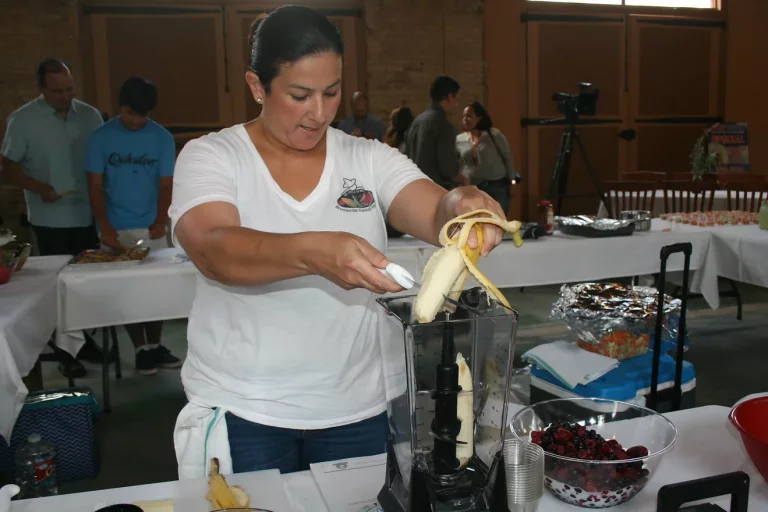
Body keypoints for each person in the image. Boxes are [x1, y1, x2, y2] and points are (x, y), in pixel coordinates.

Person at [170, 5, 507, 476]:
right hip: (246, 406)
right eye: (300, 95)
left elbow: (435, 209)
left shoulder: (366, 158)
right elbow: (213, 248)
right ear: (256, 86)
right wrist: (317, 252)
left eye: (331, 93)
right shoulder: (213, 156)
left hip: (354, 406)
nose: (320, 113)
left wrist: (464, 204)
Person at [0, 58, 105, 377]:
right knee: (56, 287)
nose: (65, 96)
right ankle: (63, 351)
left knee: (87, 284)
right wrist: (39, 187)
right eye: (57, 90)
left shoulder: (90, 116)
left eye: (70, 89)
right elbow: (9, 168)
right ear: (41, 89)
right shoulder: (22, 120)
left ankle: (86, 340)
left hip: (87, 213)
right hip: (49, 218)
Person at [85, 76, 182, 376]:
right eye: (131, 114)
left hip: (152, 226)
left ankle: (155, 346)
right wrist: (104, 226)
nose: (137, 121)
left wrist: (160, 219)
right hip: (117, 227)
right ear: (120, 107)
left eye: (143, 115)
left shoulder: (162, 137)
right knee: (127, 294)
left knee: (157, 291)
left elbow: (166, 184)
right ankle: (139, 349)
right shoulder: (100, 137)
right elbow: (95, 186)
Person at [456, 102, 521, 216]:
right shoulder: (459, 139)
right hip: (473, 188)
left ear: (479, 118)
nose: (465, 119)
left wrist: (512, 182)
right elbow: (455, 162)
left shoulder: (494, 135)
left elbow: (507, 157)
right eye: (464, 116)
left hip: (496, 186)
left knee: (499, 220)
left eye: (469, 116)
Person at [405, 75, 461, 190]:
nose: (456, 104)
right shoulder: (443, 125)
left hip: (413, 187)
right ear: (450, 96)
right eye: (455, 98)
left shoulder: (417, 121)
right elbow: (447, 167)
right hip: (435, 189)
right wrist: (458, 175)